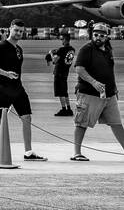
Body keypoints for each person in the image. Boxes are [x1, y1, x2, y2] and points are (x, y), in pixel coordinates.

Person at [0, 20, 45, 161]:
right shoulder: (1, 46)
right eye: (16, 30)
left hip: (18, 88)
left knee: (26, 117)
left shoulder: (19, 49)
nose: (18, 33)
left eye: (21, 31)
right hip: (4, 89)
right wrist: (5, 73)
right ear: (10, 29)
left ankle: (28, 152)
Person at [70, 23, 124, 160]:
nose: (98, 38)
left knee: (116, 123)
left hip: (108, 94)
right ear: (92, 35)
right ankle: (77, 153)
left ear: (107, 37)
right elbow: (79, 69)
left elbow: (109, 70)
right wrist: (93, 82)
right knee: (82, 123)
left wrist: (114, 87)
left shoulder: (107, 50)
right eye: (95, 35)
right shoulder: (86, 49)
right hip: (89, 93)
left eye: (101, 35)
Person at [45, 33, 76, 117]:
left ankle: (63, 109)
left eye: (62, 39)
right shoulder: (72, 49)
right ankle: (69, 109)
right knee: (65, 91)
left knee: (60, 92)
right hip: (66, 72)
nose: (61, 41)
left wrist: (51, 53)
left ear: (65, 40)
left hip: (59, 72)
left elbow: (54, 61)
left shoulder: (61, 49)